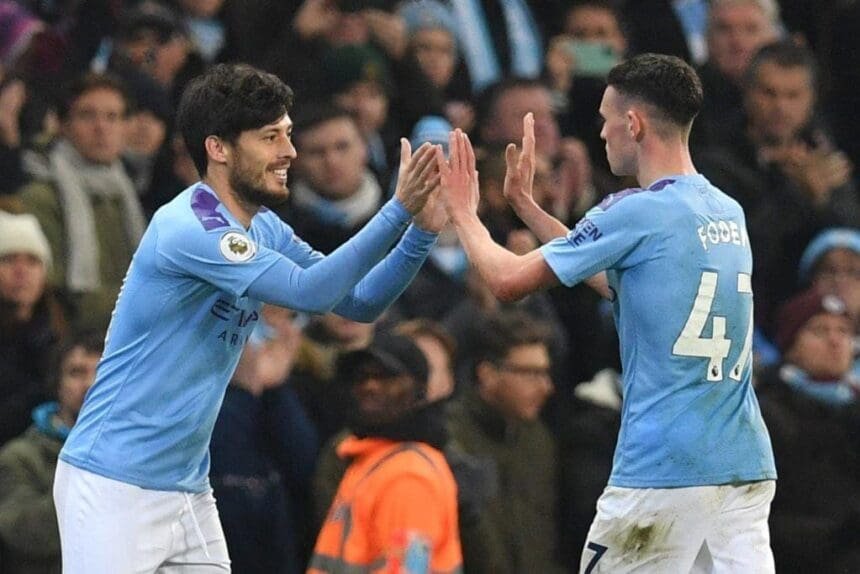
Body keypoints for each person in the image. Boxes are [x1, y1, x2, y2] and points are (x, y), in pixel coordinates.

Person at [53, 63, 447, 574]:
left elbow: (358, 303)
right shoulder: (188, 226)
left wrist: (420, 233)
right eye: (270, 137)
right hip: (113, 485)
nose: (290, 152)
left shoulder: (264, 227)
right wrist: (396, 210)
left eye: (286, 134)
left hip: (187, 487)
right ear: (218, 147)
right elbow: (313, 291)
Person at [439, 53, 777, 572]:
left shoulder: (636, 209)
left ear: (634, 123)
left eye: (605, 118)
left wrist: (464, 214)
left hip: (662, 472)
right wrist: (529, 208)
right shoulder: (725, 209)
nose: (600, 133)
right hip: (742, 466)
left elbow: (507, 280)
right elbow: (623, 283)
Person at [309, 333, 462, 573]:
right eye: (362, 377)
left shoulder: (409, 476)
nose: (370, 386)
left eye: (386, 376)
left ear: (420, 390)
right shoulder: (371, 460)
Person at [756, 289, 860, 573]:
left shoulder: (854, 411)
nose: (836, 341)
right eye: (819, 330)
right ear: (791, 344)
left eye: (844, 330)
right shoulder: (765, 416)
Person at [0, 331, 102, 574]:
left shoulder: (136, 453)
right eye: (77, 373)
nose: (90, 384)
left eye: (101, 372)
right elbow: (26, 535)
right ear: (57, 383)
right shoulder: (20, 457)